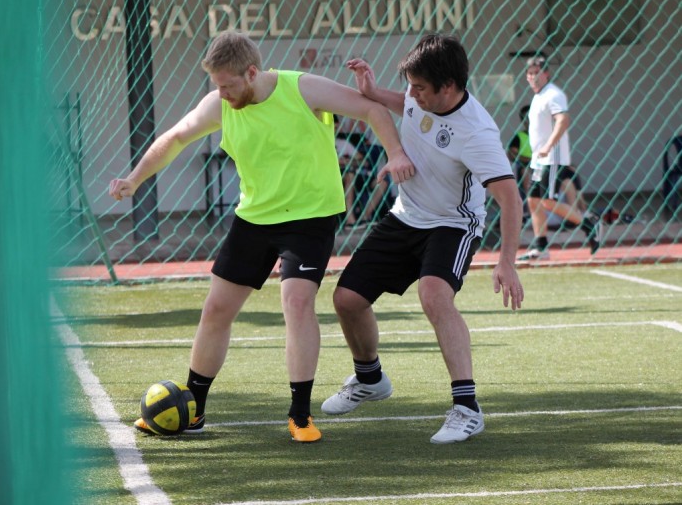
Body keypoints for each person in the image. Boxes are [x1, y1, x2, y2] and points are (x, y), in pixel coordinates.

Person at [108, 31, 415, 442]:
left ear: (251, 72)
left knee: (296, 302)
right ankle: (194, 408)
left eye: (228, 85)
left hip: (310, 217)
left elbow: (372, 110)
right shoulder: (220, 103)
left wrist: (395, 153)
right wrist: (134, 179)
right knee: (216, 308)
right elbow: (177, 136)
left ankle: (300, 416)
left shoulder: (303, 88)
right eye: (216, 85)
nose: (221, 93)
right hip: (254, 218)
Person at [320, 34, 524, 444]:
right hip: (405, 216)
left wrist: (507, 261)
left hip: (453, 224)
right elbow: (406, 107)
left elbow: (510, 198)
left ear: (448, 87)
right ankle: (370, 379)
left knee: (434, 296)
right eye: (409, 85)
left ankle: (467, 408)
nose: (411, 95)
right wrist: (374, 92)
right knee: (347, 299)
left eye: (419, 88)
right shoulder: (422, 98)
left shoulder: (477, 133)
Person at [519, 56, 600, 260]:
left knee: (546, 200)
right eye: (529, 73)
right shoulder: (538, 96)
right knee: (533, 200)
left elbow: (562, 121)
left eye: (536, 72)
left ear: (546, 73)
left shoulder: (553, 94)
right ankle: (540, 245)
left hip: (552, 158)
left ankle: (588, 223)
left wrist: (548, 146)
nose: (532, 77)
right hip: (539, 158)